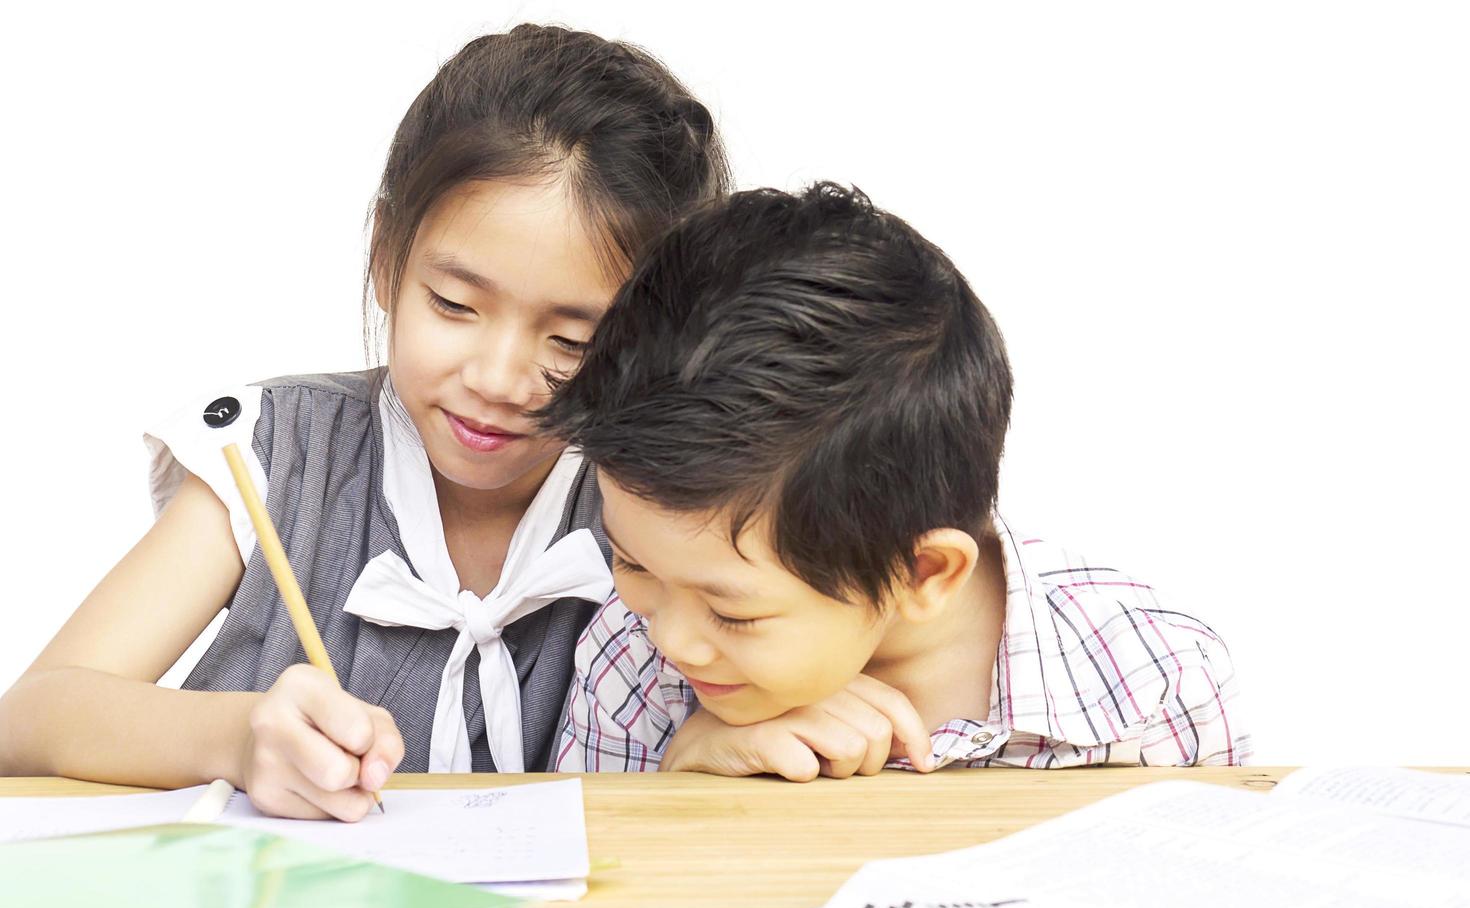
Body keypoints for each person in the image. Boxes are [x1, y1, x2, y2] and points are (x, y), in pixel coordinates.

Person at [0, 24, 730, 817]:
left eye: (572, 340)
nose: (495, 379)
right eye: (453, 305)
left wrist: (719, 748)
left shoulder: (665, 502)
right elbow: (30, 719)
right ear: (386, 257)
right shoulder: (278, 455)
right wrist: (235, 737)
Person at [543, 183, 1249, 779]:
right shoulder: (633, 662)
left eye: (734, 614)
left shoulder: (1152, 684)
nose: (675, 640)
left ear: (921, 571)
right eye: (631, 560)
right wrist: (683, 773)